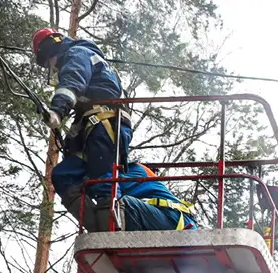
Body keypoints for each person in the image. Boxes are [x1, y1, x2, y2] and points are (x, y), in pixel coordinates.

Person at [33, 29, 195, 231]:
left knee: (104, 179)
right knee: (64, 174)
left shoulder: (77, 54)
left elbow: (73, 80)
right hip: (96, 127)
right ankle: (99, 228)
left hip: (105, 124)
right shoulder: (90, 64)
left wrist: (58, 109)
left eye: (49, 63)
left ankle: (107, 227)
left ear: (51, 50)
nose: (54, 68)